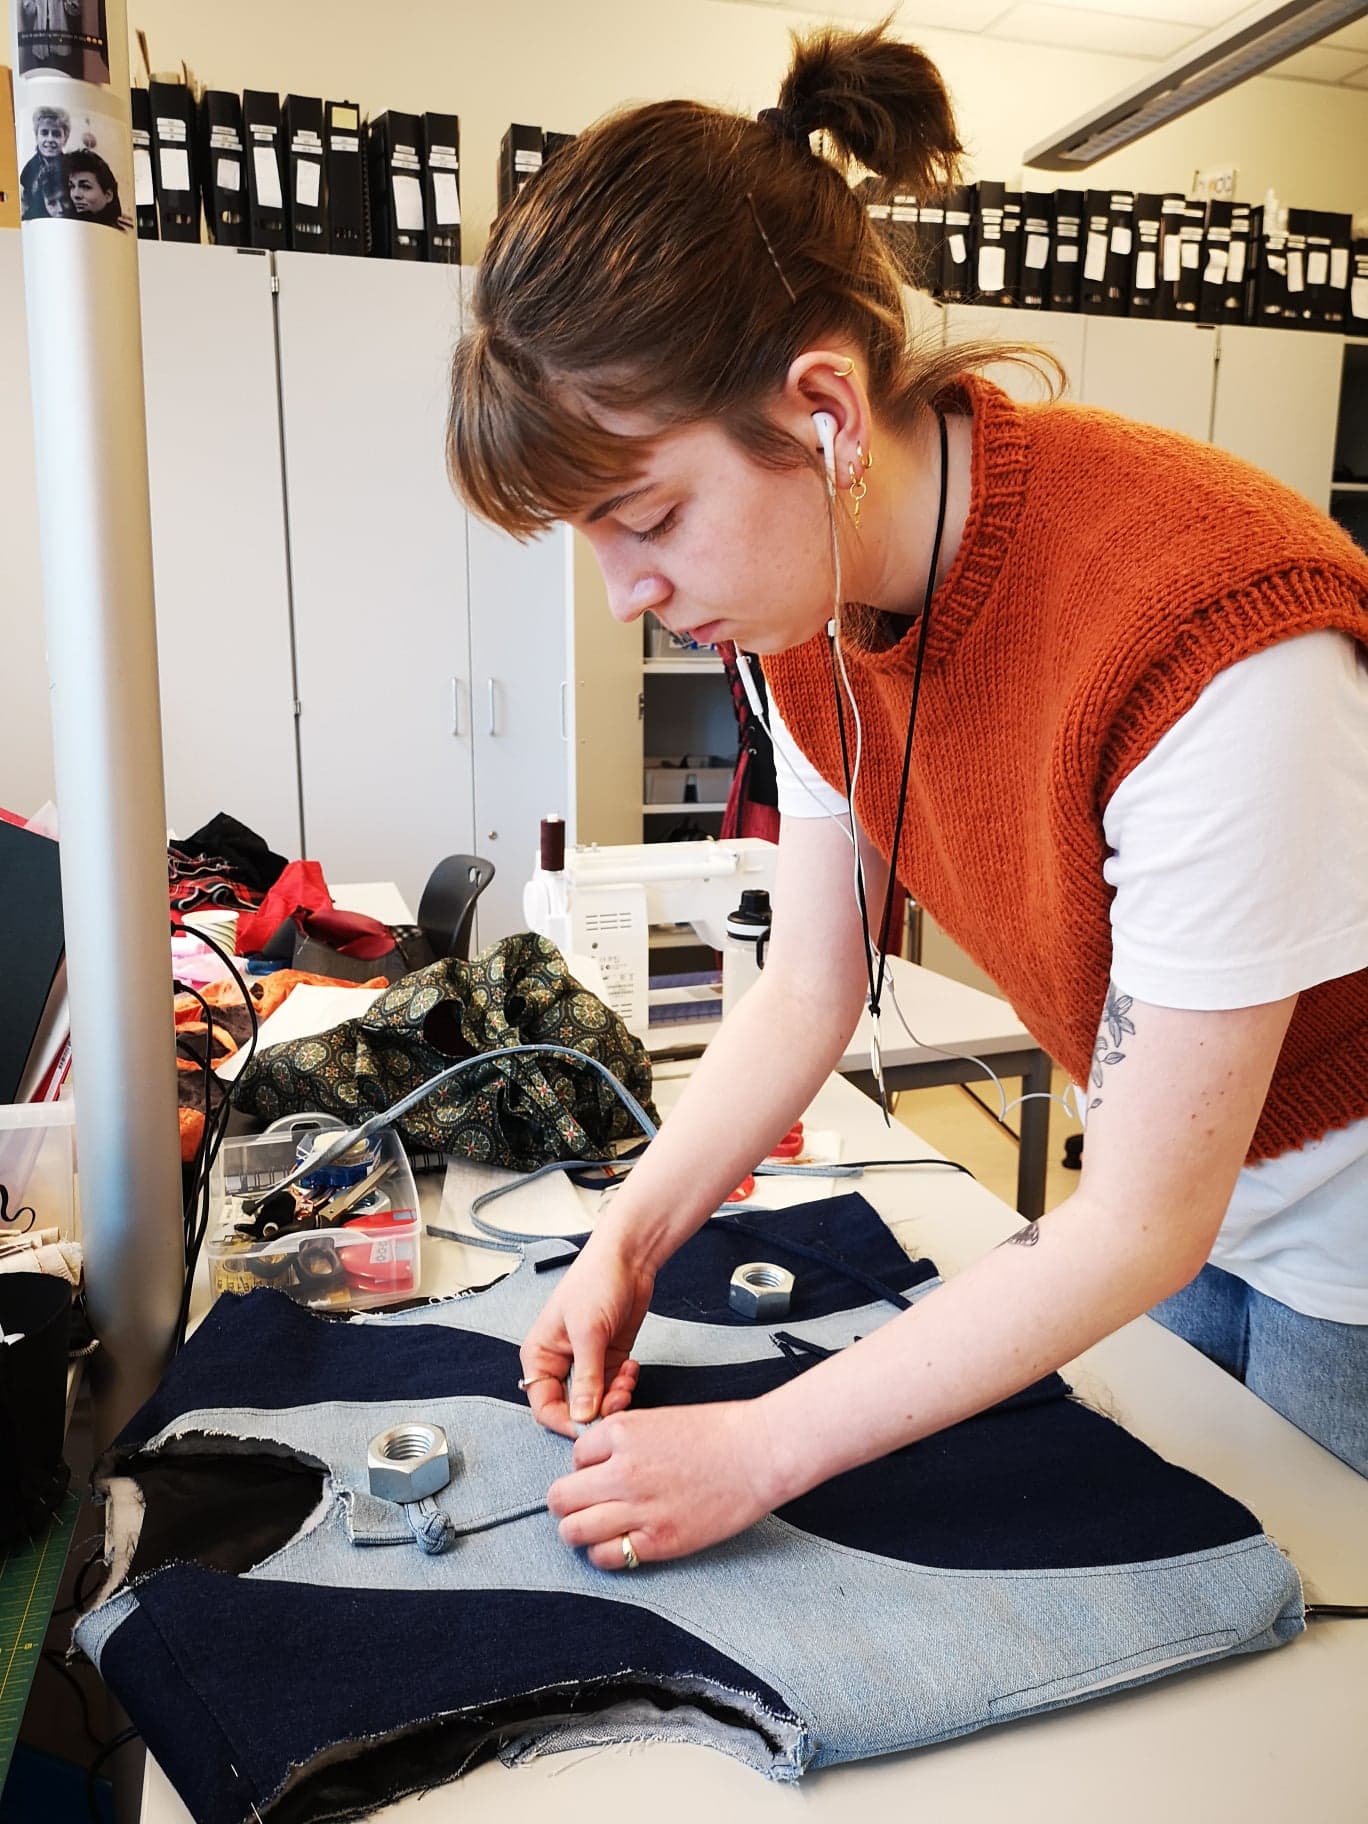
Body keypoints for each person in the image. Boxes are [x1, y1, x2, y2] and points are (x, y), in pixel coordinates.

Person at [445, 23, 1368, 1567]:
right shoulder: (811, 615)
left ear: (823, 411)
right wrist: (629, 1239)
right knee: (1186, 1553)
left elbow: (1145, 1222)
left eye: (648, 517)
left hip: (1345, 1211)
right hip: (1188, 1182)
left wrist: (758, 1448)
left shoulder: (1213, 641)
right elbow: (813, 983)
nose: (627, 595)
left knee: (1311, 1616)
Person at [19, 104, 70, 221]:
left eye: (56, 134)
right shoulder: (28, 171)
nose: (50, 139)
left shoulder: (73, 166)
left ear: (65, 138)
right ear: (36, 136)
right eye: (44, 133)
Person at [65, 149, 125, 229]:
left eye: (85, 186)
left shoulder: (121, 231)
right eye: (72, 186)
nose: (76, 195)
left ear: (108, 195)